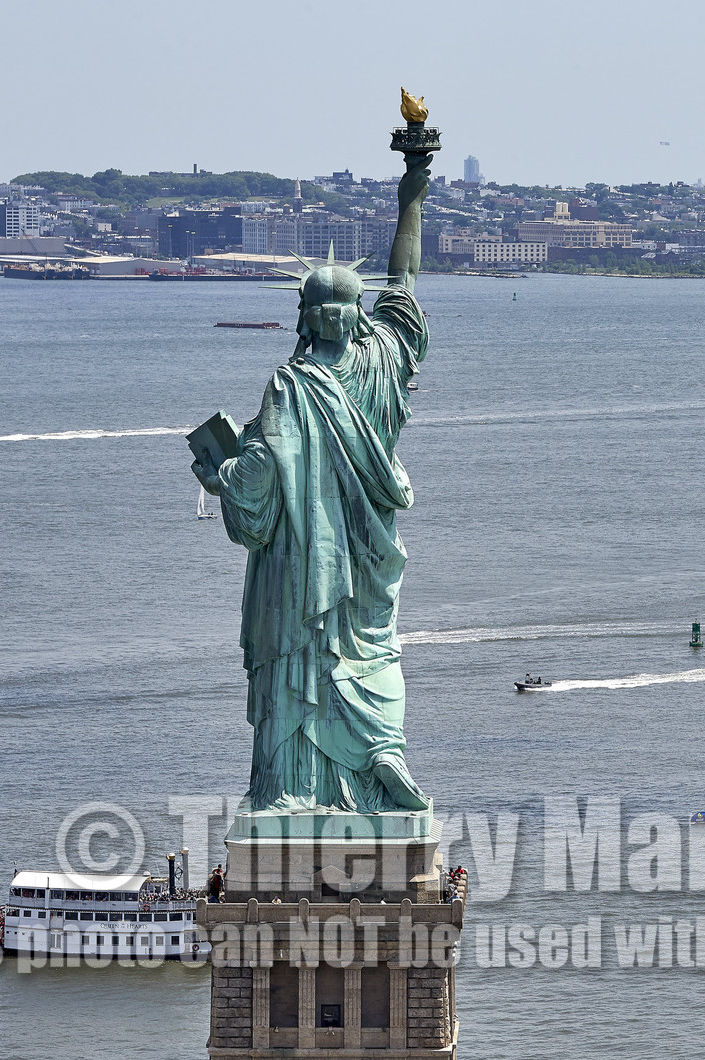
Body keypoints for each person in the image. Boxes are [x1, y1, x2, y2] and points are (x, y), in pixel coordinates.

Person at [193, 145, 436, 814]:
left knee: (300, 658)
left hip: (302, 570)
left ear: (303, 317)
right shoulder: (383, 363)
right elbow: (404, 282)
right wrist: (411, 191)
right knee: (372, 649)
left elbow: (261, 478)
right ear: (357, 316)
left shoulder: (291, 385)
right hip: (367, 553)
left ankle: (292, 788)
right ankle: (382, 747)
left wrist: (220, 474)